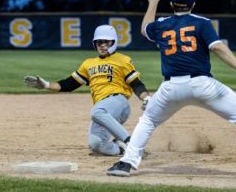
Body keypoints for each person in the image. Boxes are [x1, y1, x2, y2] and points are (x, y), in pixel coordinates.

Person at [106, 0, 236, 179]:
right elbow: (218, 48)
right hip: (202, 85)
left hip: (170, 88)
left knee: (148, 121)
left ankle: (126, 163)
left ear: (171, 4)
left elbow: (145, 29)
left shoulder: (162, 25)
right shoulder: (202, 23)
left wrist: (153, 1)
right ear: (193, 4)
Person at [24, 24, 151, 156]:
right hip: (102, 109)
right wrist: (45, 84)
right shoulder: (88, 63)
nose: (102, 45)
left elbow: (136, 84)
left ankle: (133, 144)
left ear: (114, 42)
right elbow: (69, 84)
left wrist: (146, 98)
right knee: (96, 144)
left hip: (118, 102)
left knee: (96, 111)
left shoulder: (123, 60)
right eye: (99, 42)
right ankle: (121, 148)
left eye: (106, 42)